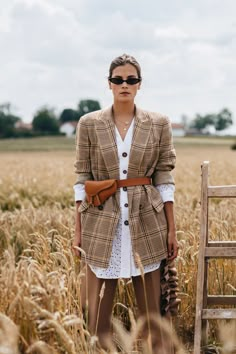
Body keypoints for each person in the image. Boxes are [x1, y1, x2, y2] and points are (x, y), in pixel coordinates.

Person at [72, 53, 179, 353]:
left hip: (148, 222)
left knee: (152, 317)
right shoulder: (89, 124)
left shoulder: (159, 123)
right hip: (100, 225)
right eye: (118, 79)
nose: (124, 84)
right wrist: (77, 231)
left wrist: (172, 230)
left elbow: (164, 178)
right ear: (109, 84)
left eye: (131, 80)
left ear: (139, 84)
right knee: (98, 319)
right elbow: (82, 178)